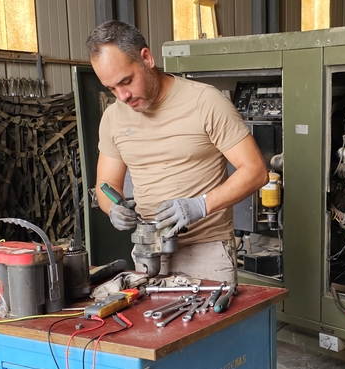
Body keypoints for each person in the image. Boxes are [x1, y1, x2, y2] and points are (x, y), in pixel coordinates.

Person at [86, 21, 268, 283]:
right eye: (112, 88)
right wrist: (113, 209)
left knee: (211, 323)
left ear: (147, 58)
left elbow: (256, 171)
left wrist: (200, 206)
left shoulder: (205, 102)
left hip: (206, 252)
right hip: (148, 252)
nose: (122, 95)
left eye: (126, 81)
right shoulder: (113, 117)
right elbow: (106, 185)